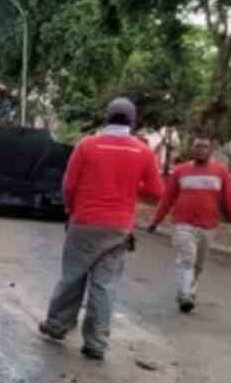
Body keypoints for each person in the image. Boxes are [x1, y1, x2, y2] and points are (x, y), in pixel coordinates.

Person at [38, 97, 164, 360]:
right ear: (133, 120)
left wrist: (70, 211)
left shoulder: (87, 145)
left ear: (107, 117)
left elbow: (69, 186)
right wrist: (130, 188)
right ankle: (96, 343)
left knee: (72, 276)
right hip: (118, 228)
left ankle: (57, 325)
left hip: (84, 222)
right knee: (104, 286)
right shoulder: (142, 150)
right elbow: (156, 191)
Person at [147, 137, 231, 312]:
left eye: (205, 146)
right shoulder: (180, 171)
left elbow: (230, 197)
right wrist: (155, 221)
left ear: (210, 150)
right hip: (183, 223)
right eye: (197, 147)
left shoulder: (220, 171)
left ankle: (189, 292)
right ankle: (185, 295)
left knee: (198, 265)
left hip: (209, 225)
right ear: (192, 149)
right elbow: (167, 198)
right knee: (186, 259)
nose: (201, 150)